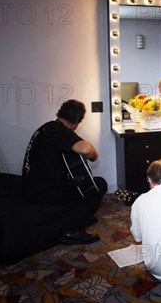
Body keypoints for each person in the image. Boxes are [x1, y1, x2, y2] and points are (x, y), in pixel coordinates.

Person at [22, 99, 108, 244]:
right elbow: (86, 150)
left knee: (80, 182)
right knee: (98, 184)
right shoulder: (58, 130)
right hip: (44, 193)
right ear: (77, 121)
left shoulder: (47, 127)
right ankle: (72, 230)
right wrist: (94, 155)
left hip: (32, 187)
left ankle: (82, 216)